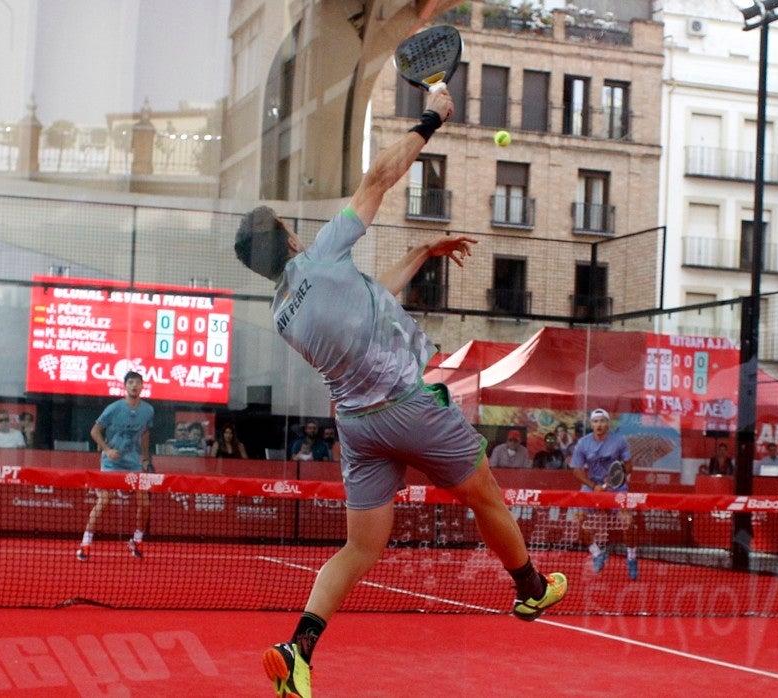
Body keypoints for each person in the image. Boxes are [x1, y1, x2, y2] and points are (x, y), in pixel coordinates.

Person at [234, 87, 564, 698]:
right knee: (484, 493)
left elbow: (368, 301)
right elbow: (380, 177)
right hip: (408, 409)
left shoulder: (285, 310)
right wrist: (433, 115)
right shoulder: (321, 255)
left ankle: (298, 649)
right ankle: (530, 589)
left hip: (359, 429)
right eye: (286, 225)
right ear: (285, 238)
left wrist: (418, 251)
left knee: (359, 549)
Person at [77, 371, 155, 562]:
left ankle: (136, 540)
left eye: (137, 383)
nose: (134, 386)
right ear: (125, 386)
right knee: (104, 501)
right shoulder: (113, 408)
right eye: (130, 382)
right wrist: (107, 450)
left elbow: (145, 433)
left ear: (142, 386)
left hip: (134, 464)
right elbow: (95, 431)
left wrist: (145, 459)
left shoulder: (148, 410)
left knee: (144, 503)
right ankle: (85, 544)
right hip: (111, 463)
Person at [571, 408, 638, 580]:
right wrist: (594, 486)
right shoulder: (583, 443)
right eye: (595, 421)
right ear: (591, 424)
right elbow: (577, 471)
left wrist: (617, 476)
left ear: (608, 423)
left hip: (616, 486)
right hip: (592, 486)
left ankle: (631, 558)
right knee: (577, 521)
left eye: (602, 421)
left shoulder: (619, 441)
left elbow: (629, 465)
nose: (599, 425)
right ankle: (597, 553)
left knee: (628, 523)